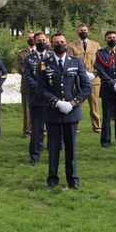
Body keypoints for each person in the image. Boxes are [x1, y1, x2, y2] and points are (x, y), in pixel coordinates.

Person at [39, 32, 91, 190]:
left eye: (62, 42)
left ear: (66, 43)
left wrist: (73, 103)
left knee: (71, 149)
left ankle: (73, 180)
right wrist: (56, 102)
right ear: (51, 45)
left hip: (71, 112)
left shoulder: (76, 62)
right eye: (56, 42)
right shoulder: (44, 63)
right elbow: (41, 89)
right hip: (53, 112)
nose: (60, 44)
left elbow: (86, 87)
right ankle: (52, 180)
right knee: (53, 149)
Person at [68, 24, 101, 135]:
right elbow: (71, 62)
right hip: (79, 80)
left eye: (85, 30)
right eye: (81, 30)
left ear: (88, 31)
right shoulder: (71, 46)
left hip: (94, 79)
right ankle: (76, 126)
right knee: (78, 103)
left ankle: (97, 127)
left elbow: (100, 61)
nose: (83, 32)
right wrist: (82, 74)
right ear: (77, 32)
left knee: (94, 104)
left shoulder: (96, 45)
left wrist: (95, 73)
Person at [24, 32, 51, 164]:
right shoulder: (28, 59)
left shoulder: (52, 56)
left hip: (51, 99)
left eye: (43, 40)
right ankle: (35, 156)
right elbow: (27, 77)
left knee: (53, 128)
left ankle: (55, 152)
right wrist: (40, 90)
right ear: (35, 42)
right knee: (36, 129)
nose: (42, 42)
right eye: (39, 40)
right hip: (37, 98)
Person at [95, 31, 116, 147]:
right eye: (109, 38)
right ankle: (105, 141)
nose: (112, 39)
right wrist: (112, 83)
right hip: (107, 89)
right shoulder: (100, 54)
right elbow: (100, 71)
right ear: (105, 40)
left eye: (114, 37)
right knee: (106, 117)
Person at [16, 32, 37, 137]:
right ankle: (27, 130)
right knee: (27, 109)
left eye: (33, 37)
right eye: (29, 37)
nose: (31, 39)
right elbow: (21, 69)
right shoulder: (21, 54)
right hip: (26, 85)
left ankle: (41, 129)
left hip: (40, 84)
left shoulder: (42, 52)